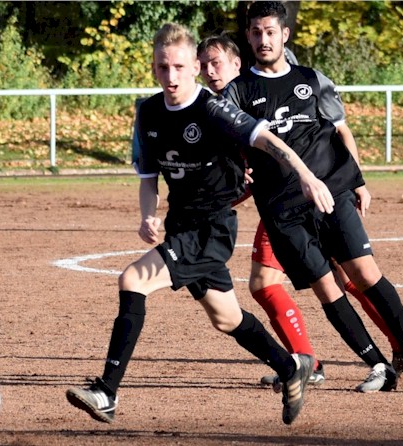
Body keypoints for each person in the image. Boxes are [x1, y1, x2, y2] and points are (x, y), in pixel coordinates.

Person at [65, 22, 339, 425]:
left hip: (211, 230)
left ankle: (106, 392)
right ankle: (290, 367)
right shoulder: (148, 112)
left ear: (195, 65)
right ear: (154, 68)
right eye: (163, 67)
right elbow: (147, 178)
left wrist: (306, 175)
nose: (171, 76)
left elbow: (270, 141)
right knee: (226, 317)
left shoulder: (214, 108)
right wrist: (148, 214)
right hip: (181, 226)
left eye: (179, 66)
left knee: (133, 280)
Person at [223, 1, 403, 392]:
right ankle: (378, 365)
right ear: (248, 37)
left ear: (284, 34)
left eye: (270, 32)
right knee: (328, 289)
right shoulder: (237, 92)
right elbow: (229, 149)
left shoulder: (313, 79)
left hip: (329, 194)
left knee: (365, 273)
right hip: (281, 211)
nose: (263, 40)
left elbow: (341, 130)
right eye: (256, 33)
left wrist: (358, 180)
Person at [197, 33, 403, 390]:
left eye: (216, 63)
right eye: (203, 66)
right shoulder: (220, 111)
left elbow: (332, 129)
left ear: (237, 62)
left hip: (307, 197)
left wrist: (352, 181)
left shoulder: (264, 85)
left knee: (336, 278)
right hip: (280, 205)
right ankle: (326, 359)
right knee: (319, 280)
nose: (209, 72)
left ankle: (368, 355)